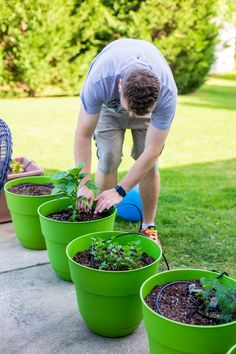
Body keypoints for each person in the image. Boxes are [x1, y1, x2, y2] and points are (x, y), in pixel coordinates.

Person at [74, 38, 177, 244]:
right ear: (120, 85)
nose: (131, 115)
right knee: (109, 157)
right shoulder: (100, 80)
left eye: (135, 112)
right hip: (108, 110)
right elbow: (83, 135)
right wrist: (82, 183)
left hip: (147, 114)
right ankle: (104, 225)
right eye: (129, 109)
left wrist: (120, 190)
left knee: (149, 164)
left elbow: (152, 150)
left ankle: (148, 226)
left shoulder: (166, 93)